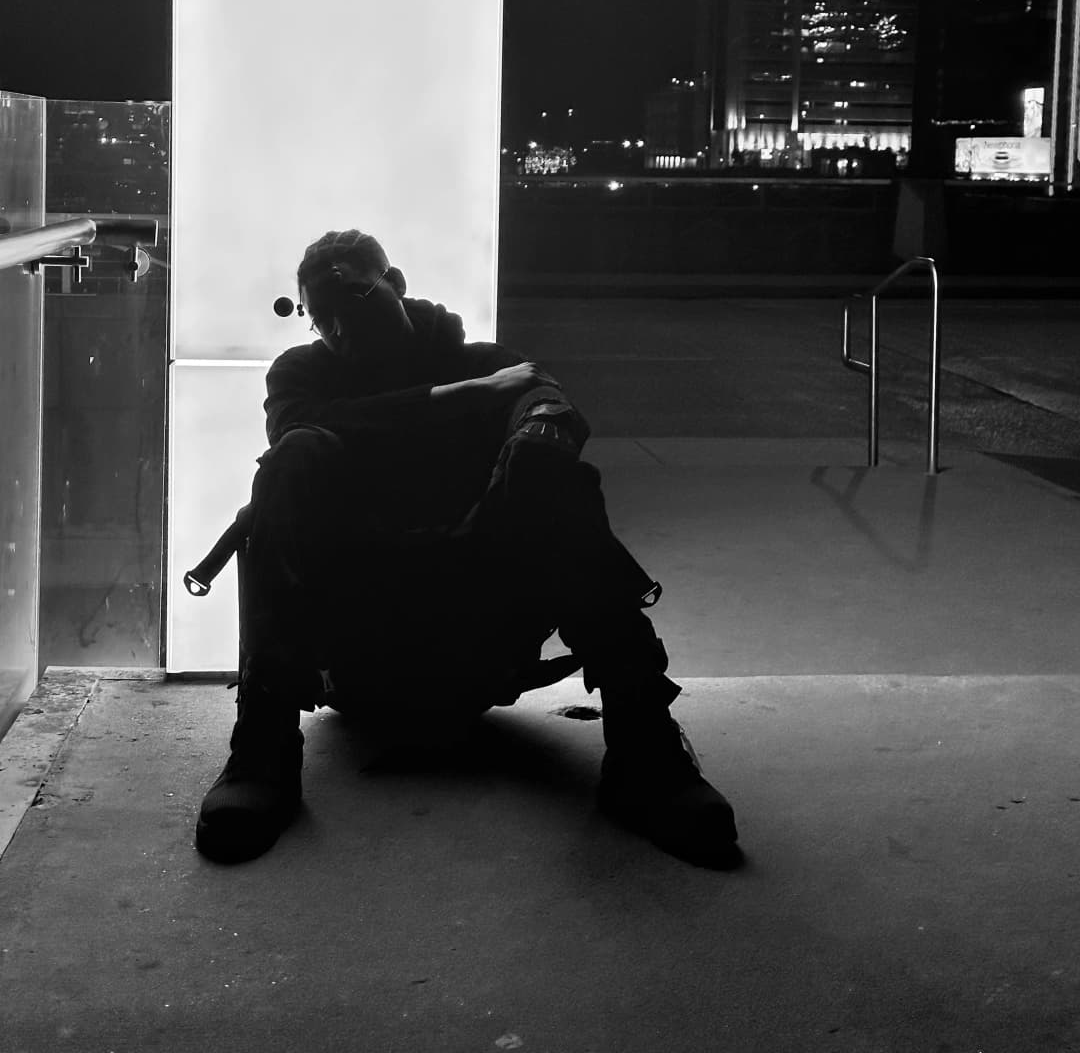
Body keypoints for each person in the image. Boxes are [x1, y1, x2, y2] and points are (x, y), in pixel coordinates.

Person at [195, 229, 740, 869]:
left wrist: (539, 431)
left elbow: (548, 400)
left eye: (356, 297)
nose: (340, 328)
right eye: (323, 318)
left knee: (549, 469)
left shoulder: (483, 358)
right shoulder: (306, 372)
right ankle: (263, 747)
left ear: (395, 283)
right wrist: (466, 398)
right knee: (290, 462)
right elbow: (299, 428)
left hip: (483, 627)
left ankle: (644, 750)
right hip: (352, 642)